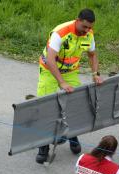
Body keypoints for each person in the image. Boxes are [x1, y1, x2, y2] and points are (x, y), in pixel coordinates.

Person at [36, 8, 104, 164]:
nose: (86, 30)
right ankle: (43, 146)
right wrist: (61, 82)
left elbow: (92, 55)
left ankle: (73, 135)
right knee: (45, 107)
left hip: (70, 71)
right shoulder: (60, 33)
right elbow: (51, 60)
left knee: (76, 105)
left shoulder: (89, 34)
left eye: (89, 27)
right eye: (84, 27)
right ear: (77, 20)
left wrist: (95, 75)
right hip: (49, 71)